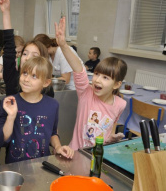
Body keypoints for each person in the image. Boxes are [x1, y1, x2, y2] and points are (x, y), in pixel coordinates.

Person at [0, 0, 74, 164]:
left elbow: (49, 126)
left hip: (41, 160)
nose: (28, 58)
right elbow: (9, 45)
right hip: (15, 157)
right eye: (25, 54)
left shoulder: (50, 99)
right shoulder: (12, 77)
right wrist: (6, 12)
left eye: (34, 55)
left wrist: (58, 146)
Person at [54, 17, 127, 150]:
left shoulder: (121, 104)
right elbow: (78, 68)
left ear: (116, 84)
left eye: (105, 78)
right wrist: (64, 45)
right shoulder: (86, 93)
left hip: (99, 156)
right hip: (76, 153)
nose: (97, 80)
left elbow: (110, 129)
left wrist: (111, 138)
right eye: (97, 74)